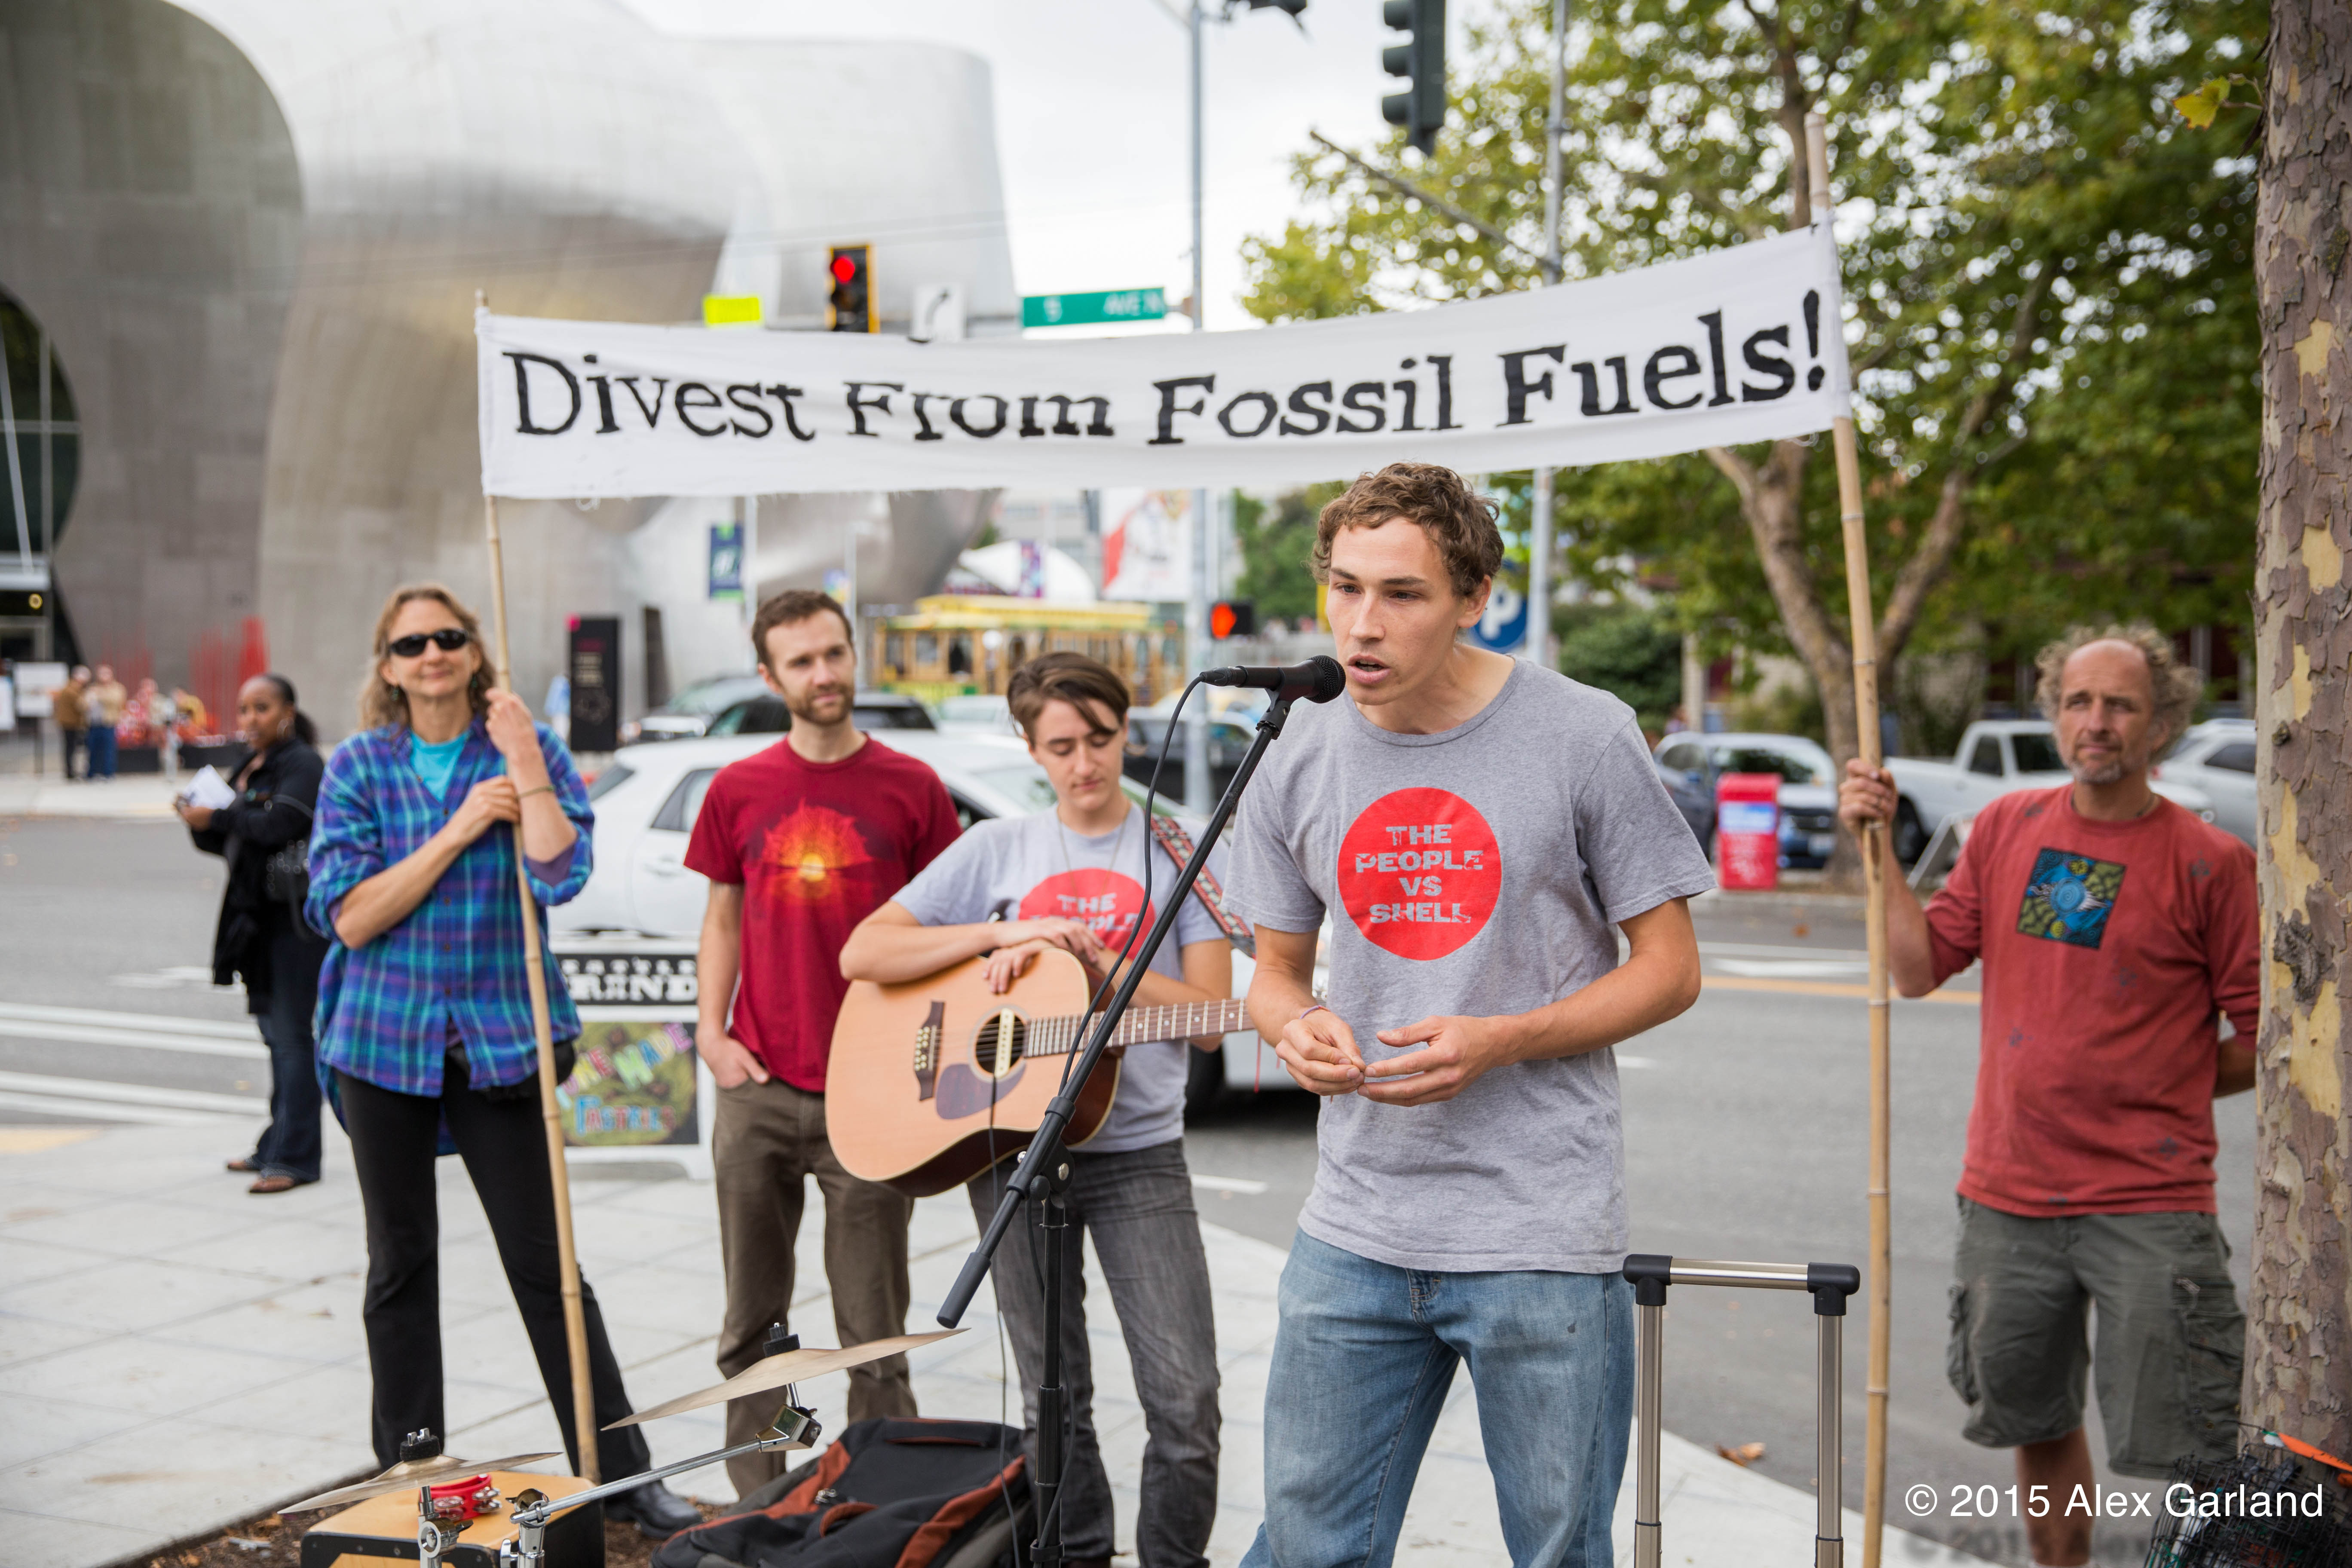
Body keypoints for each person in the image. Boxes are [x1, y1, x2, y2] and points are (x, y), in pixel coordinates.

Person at [1221, 463, 1712, 1568]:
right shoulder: (1293, 743)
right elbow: (1274, 974)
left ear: (1474, 598)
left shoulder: (1583, 733)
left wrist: (1502, 1039)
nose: (1362, 624)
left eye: (1402, 594)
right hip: (1354, 1223)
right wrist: (1291, 1024)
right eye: (1345, 588)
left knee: (1558, 1553)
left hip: (1538, 1228)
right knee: (1306, 1550)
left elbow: (1672, 970)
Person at [1836, 625, 2256, 1568]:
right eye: (2078, 701)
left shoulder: (2211, 863)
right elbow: (1917, 967)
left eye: (2120, 705)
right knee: (2035, 1419)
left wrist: (2164, 1084)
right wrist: (1877, 847)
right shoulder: (2006, 829)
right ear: (2054, 714)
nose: (2095, 721)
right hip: (2009, 1196)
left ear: (2161, 725)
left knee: (2196, 1440)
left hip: (2151, 1200)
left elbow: (2265, 1038)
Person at [305, 583, 698, 1536]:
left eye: (447, 637)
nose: (432, 655)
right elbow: (350, 915)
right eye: (411, 644)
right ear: (389, 666)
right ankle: (411, 1462)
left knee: (546, 1264)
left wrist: (524, 762)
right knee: (400, 1260)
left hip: (501, 1038)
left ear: (474, 651)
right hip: (383, 1039)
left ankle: (621, 1473)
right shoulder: (359, 764)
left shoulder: (525, 748)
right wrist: (459, 829)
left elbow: (561, 873)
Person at [841, 652, 1234, 1568]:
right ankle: (1079, 1556)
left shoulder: (1181, 847)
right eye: (1061, 746)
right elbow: (865, 953)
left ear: (1128, 731)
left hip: (1139, 1154)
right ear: (1029, 748)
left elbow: (1213, 1020)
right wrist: (1002, 931)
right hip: (1013, 1154)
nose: (1085, 762)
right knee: (1052, 1399)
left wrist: (1101, 968)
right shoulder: (999, 848)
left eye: (1101, 738)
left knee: (1186, 1401)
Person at [682, 589, 962, 1494]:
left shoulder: (913, 788)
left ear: (854, 655)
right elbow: (721, 920)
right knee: (751, 1330)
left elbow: (945, 932)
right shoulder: (737, 789)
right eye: (801, 661)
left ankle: (881, 1513)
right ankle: (759, 1508)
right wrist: (711, 1035)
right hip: (758, 1087)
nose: (824, 673)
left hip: (873, 1098)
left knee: (874, 1335)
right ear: (771, 677)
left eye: (834, 653)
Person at [177, 674, 331, 1194]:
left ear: (288, 711)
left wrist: (222, 815)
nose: (250, 719)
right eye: (244, 709)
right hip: (254, 921)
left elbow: (279, 825)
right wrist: (198, 820)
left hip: (294, 921)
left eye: (262, 708)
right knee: (275, 1037)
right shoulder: (250, 764)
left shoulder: (302, 763)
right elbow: (232, 841)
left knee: (292, 1039)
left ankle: (297, 1157)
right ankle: (275, 1145)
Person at [84, 664, 125, 780]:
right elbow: (83, 703)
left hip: (108, 723)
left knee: (109, 750)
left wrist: (99, 695)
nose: (103, 676)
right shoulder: (93, 688)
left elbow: (116, 700)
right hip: (94, 723)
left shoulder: (117, 688)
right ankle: (92, 773)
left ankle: (109, 773)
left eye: (106, 674)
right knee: (93, 749)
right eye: (101, 674)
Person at [52, 666, 88, 781]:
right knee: (71, 748)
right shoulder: (73, 689)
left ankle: (71, 771)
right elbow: (82, 705)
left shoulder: (70, 687)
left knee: (71, 748)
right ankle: (70, 771)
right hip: (70, 723)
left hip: (69, 722)